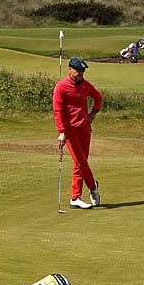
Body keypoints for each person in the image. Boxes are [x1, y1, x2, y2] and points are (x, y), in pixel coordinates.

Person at [53, 57, 103, 209]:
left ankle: (75, 198)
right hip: (70, 132)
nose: (81, 73)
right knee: (81, 163)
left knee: (80, 164)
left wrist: (94, 112)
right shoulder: (61, 87)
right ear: (70, 69)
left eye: (83, 71)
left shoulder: (85, 85)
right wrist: (61, 132)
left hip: (85, 130)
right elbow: (58, 111)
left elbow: (98, 97)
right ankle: (93, 188)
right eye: (78, 71)